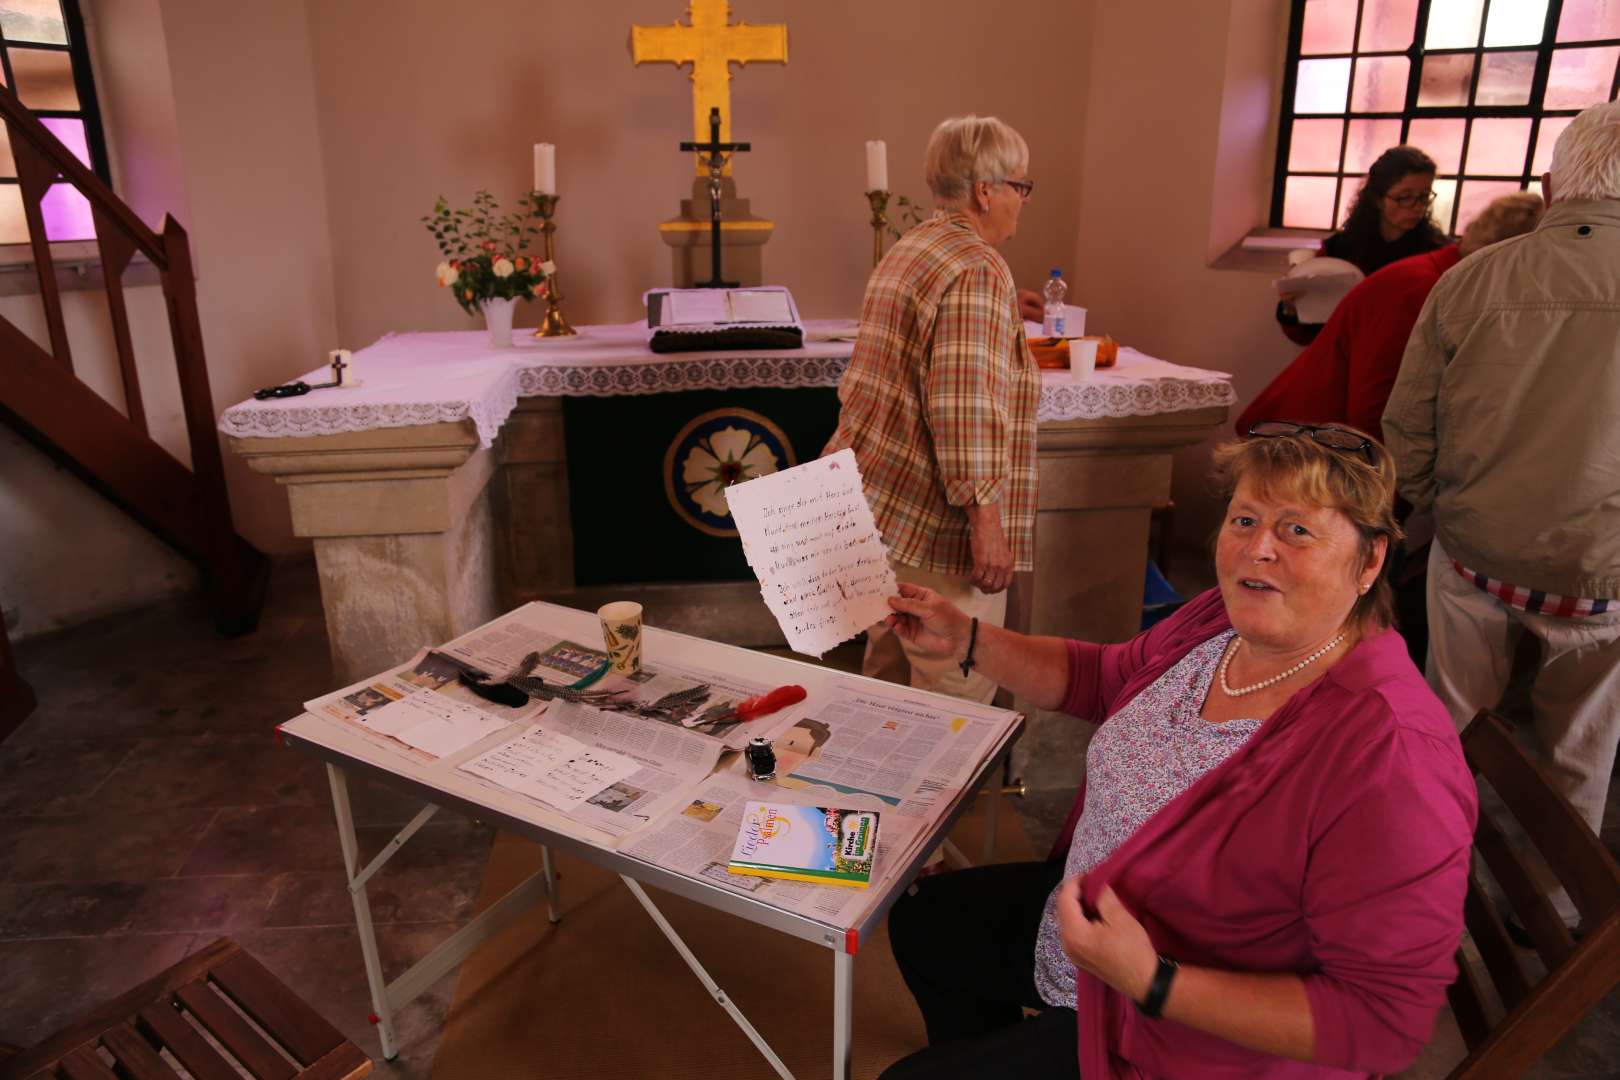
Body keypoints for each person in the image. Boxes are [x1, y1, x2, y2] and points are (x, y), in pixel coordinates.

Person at [877, 426, 1476, 1079]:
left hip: (1181, 1032)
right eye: (1244, 519)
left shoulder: (1391, 755)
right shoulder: (1224, 620)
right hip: (1093, 936)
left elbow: (1381, 1025)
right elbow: (1104, 679)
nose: (1259, 549)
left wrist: (1153, 981)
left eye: (1298, 530)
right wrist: (967, 638)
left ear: (1370, 561)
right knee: (924, 923)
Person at [1383, 101, 1620, 840]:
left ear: (1552, 188)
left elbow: (1408, 428)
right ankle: (1553, 906)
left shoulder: (1471, 278)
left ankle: (1429, 882)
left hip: (1475, 551)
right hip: (1606, 572)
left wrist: (1415, 523)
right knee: (1578, 751)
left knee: (1449, 730)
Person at [1240, 193, 1546, 667]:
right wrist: (1393, 503)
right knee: (1304, 593)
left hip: (1340, 444)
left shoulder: (1445, 278)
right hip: (1312, 442)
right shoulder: (1420, 288)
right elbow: (1376, 411)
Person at [824, 115, 1040, 703]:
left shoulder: (913, 248)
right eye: (1020, 187)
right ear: (984, 190)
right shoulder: (976, 268)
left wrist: (1000, 309)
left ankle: (865, 798)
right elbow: (962, 405)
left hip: (881, 515)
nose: (1022, 201)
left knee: (886, 687)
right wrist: (986, 524)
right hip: (936, 536)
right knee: (953, 706)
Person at [1278, 146, 1448, 345]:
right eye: (1405, 197)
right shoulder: (1337, 250)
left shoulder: (1436, 253)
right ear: (1377, 199)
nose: (1418, 207)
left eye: (1424, 196)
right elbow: (1309, 336)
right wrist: (1291, 308)